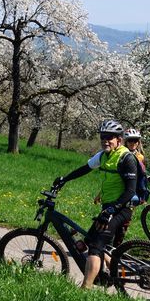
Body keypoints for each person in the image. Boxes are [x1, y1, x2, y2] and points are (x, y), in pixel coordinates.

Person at [52, 120, 138, 289]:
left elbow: (130, 191)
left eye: (110, 137)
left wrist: (111, 210)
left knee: (95, 248)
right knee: (91, 240)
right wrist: (64, 179)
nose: (105, 140)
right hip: (108, 208)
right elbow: (85, 168)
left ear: (119, 140)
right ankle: (116, 276)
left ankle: (85, 288)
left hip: (122, 208)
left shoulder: (126, 158)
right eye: (103, 137)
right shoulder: (104, 155)